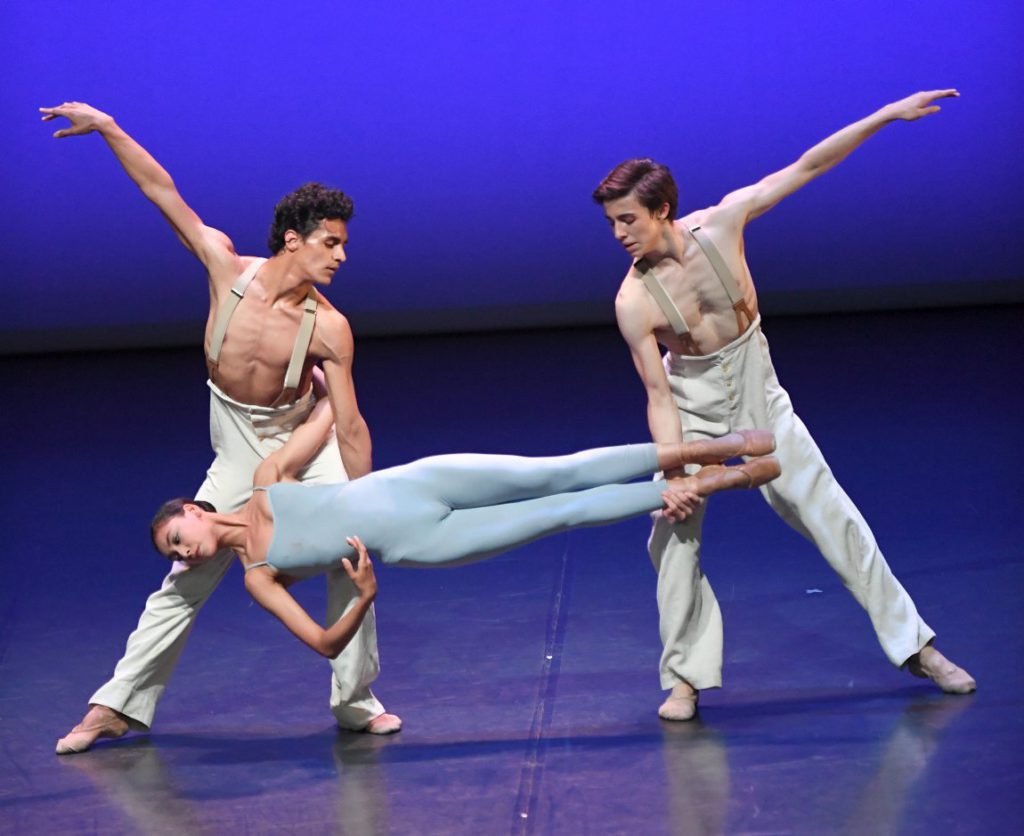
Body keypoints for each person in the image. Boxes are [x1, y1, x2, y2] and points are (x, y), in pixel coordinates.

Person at [593, 89, 976, 722]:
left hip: (760, 397)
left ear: (662, 210)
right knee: (671, 540)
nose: (618, 234)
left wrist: (883, 117)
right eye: (611, 223)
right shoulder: (632, 301)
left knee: (837, 520)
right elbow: (657, 394)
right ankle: (685, 679)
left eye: (627, 219)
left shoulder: (723, 222)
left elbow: (807, 166)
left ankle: (918, 647)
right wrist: (675, 472)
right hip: (692, 406)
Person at [41, 101, 399, 754]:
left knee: (352, 549)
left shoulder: (331, 328)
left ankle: (355, 700)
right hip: (236, 440)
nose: (342, 255)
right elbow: (161, 192)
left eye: (344, 243)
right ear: (294, 238)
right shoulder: (226, 269)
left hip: (302, 436)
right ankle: (116, 705)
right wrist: (111, 128)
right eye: (331, 242)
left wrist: (363, 492)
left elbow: (347, 421)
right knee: (187, 574)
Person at [150, 390, 782, 659]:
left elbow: (322, 420)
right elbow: (322, 644)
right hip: (420, 542)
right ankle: (706, 482)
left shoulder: (266, 480)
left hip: (421, 480)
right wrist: (363, 599)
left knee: (553, 473)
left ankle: (705, 449)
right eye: (177, 554)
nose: (187, 551)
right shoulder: (259, 576)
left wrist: (326, 380)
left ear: (195, 510)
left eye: (179, 536)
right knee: (559, 513)